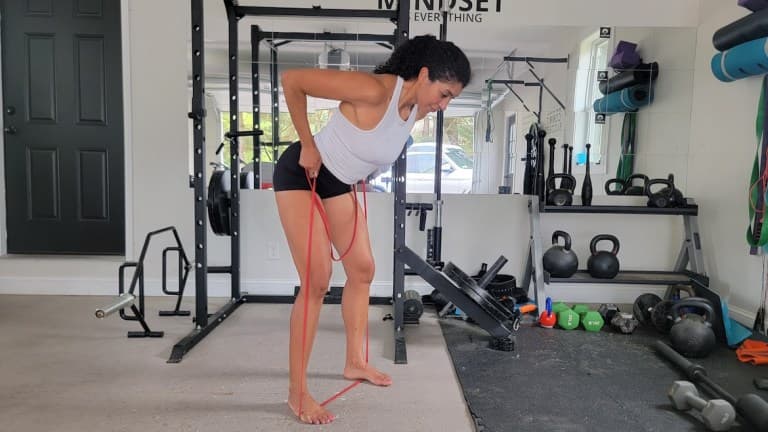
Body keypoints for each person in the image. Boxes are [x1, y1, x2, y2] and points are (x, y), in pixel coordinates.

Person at [273, 34, 471, 425]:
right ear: (424, 75)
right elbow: (293, 81)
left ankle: (355, 361)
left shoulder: (414, 113)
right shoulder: (374, 90)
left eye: (451, 99)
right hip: (302, 173)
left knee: (362, 269)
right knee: (316, 280)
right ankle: (297, 393)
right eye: (445, 94)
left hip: (338, 183)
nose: (444, 105)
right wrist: (308, 144)